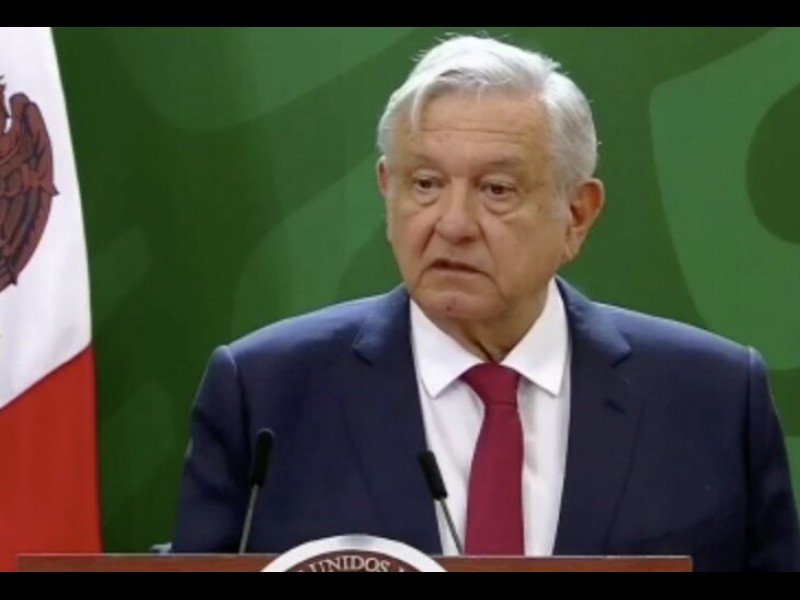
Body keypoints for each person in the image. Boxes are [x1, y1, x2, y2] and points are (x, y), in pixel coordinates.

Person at [170, 34, 800, 571]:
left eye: (497, 189)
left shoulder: (712, 397)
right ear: (387, 192)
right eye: (425, 184)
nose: (453, 224)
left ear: (577, 215)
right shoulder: (267, 394)